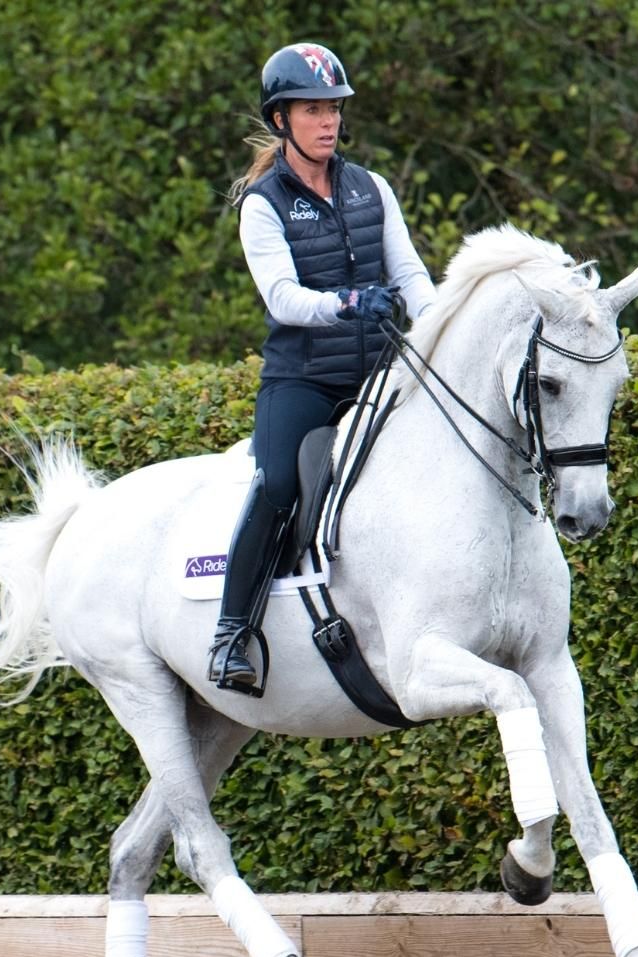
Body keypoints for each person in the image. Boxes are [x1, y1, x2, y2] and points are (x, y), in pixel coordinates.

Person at [208, 41, 436, 691]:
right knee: (278, 482)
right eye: (312, 110)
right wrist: (347, 302)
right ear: (281, 120)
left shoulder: (373, 188)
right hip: (304, 379)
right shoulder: (263, 204)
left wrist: (445, 325)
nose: (329, 121)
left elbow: (411, 275)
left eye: (334, 108)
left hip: (377, 377)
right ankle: (231, 636)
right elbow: (282, 299)